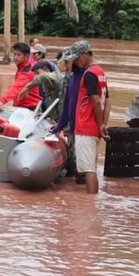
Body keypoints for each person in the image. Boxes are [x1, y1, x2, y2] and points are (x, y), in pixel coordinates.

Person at [68, 41, 110, 195]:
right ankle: (92, 203)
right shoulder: (101, 73)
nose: (76, 62)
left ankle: (90, 204)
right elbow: (108, 101)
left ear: (86, 54)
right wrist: (103, 124)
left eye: (77, 57)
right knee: (91, 167)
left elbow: (96, 100)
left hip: (86, 127)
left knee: (88, 170)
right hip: (94, 128)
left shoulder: (89, 74)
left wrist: (100, 124)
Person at [50, 47, 86, 183]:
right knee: (74, 164)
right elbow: (67, 104)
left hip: (83, 128)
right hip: (72, 127)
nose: (65, 65)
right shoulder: (70, 78)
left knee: (82, 167)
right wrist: (59, 126)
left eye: (68, 62)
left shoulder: (85, 76)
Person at [0, 43, 41, 112]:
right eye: (14, 54)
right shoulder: (22, 67)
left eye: (19, 55)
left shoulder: (27, 71)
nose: (15, 57)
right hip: (22, 106)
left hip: (30, 108)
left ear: (26, 56)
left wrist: (2, 101)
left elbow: (16, 88)